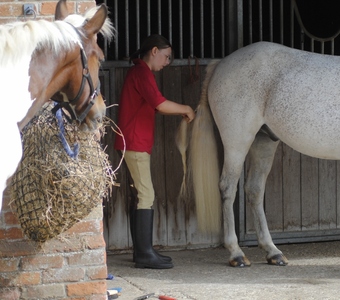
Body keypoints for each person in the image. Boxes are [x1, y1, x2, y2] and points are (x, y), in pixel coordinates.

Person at [114, 34, 195, 269]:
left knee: (140, 194)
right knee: (146, 195)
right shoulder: (142, 73)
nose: (167, 62)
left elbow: (153, 105)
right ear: (154, 51)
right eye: (166, 57)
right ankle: (145, 254)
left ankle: (142, 252)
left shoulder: (140, 72)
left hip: (133, 142)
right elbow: (159, 103)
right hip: (135, 142)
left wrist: (177, 110)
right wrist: (187, 109)